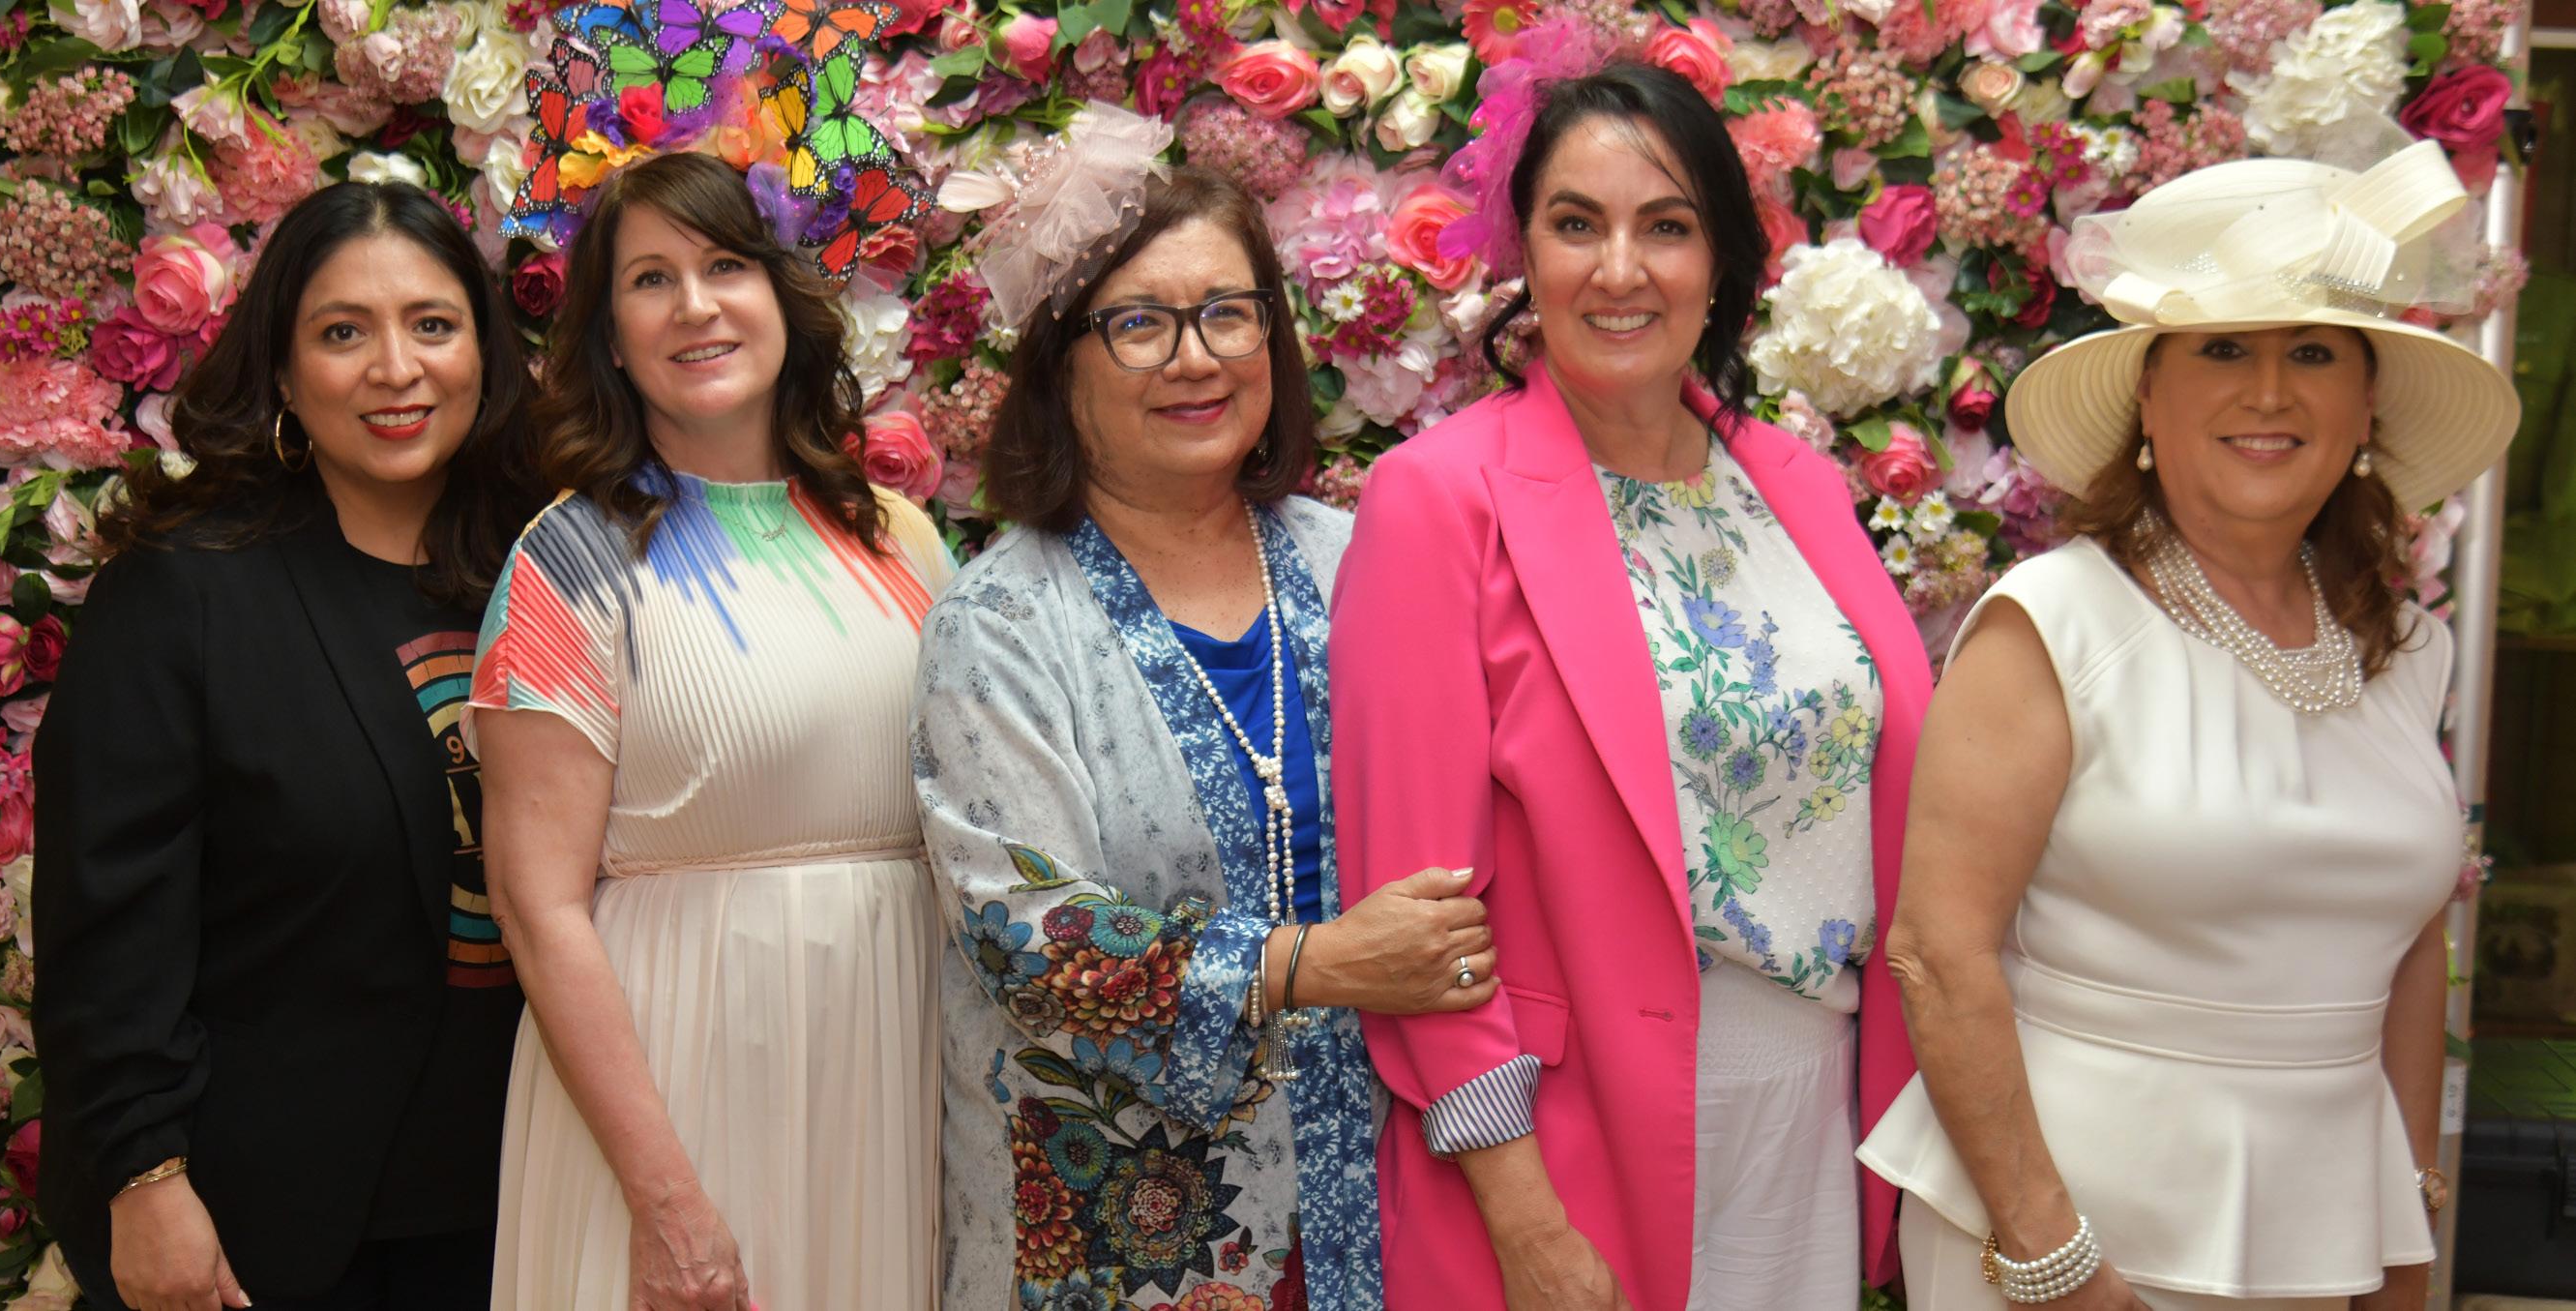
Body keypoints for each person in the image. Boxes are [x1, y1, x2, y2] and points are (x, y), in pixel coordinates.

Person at [1856, 144, 2519, 1311]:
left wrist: (2406, 1218)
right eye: (2220, 349)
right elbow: (1935, 951)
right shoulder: (2050, 622)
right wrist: (2056, 1260)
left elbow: (2411, 945)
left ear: (2363, 402)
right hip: (2060, 1244)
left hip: (2320, 1243)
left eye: (2309, 352)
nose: (2267, 394)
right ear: (2146, 400)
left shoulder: (2409, 650)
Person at [1332, 63, 1935, 1311]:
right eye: (1575, 224)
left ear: (1719, 260)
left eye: (1663, 225)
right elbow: (1418, 920)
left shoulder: (1795, 484)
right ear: (1525, 253)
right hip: (1566, 1147)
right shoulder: (1437, 499)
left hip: (1813, 1112)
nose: (1618, 270)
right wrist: (1524, 1220)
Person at [915, 112, 1489, 1311]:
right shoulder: (1003, 621)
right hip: (1130, 1239)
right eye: (1139, 324)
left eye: (1229, 313)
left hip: (1387, 1196)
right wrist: (1320, 964)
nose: (1195, 358)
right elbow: (1029, 939)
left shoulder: (1358, 561)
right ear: (1060, 363)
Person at [34, 182, 543, 1311]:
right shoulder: (184, 591)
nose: (395, 369)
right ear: (281, 368)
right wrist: (142, 1174)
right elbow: (103, 924)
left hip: (526, 1197)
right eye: (342, 332)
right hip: (263, 1218)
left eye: (432, 323)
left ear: (484, 352)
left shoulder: (549, 566)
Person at [472, 152, 954, 1310]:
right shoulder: (567, 562)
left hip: (888, 1071)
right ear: (609, 336)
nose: (695, 305)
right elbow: (537, 909)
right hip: (678, 1094)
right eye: (651, 278)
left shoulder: (899, 536)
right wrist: (666, 1200)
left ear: (782, 294)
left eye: (726, 264)